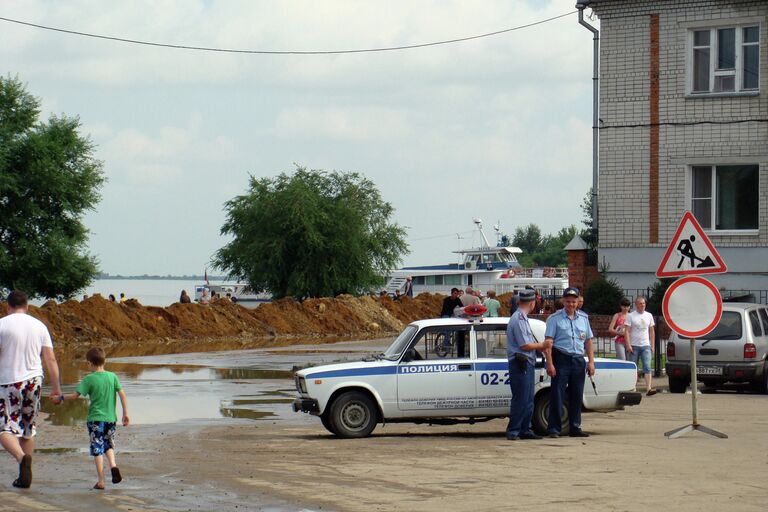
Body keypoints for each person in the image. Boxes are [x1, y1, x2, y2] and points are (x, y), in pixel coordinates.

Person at [0, 290, 62, 488]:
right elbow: (50, 359)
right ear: (27, 306)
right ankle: (25, 474)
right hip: (33, 381)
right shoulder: (39, 326)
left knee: (4, 427)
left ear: (7, 306)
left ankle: (20, 457)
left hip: (8, 382)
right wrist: (57, 389)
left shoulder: (2, 325)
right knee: (28, 428)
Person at [59, 347, 129, 490]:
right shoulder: (112, 376)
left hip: (95, 419)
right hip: (111, 418)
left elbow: (74, 396)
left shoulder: (89, 379)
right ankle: (113, 466)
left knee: (97, 448)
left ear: (90, 363)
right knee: (108, 444)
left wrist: (60, 397)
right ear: (104, 361)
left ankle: (101, 481)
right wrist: (125, 413)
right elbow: (122, 394)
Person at [543, 287, 595, 438]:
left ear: (578, 301)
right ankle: (554, 429)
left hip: (578, 360)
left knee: (577, 394)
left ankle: (575, 427)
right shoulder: (555, 319)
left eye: (574, 302)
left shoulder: (584, 319)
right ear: (563, 301)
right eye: (568, 301)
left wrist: (591, 362)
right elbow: (548, 343)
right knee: (557, 395)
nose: (571, 304)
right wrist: (550, 364)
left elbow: (588, 342)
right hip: (561, 358)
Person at [505, 289, 553, 440]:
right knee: (521, 398)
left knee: (527, 398)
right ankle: (514, 430)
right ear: (532, 303)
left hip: (525, 363)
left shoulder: (521, 317)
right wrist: (543, 345)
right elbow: (525, 345)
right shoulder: (519, 319)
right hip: (521, 362)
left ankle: (525, 429)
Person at [625, 296, 657, 396]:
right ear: (636, 305)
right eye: (640, 303)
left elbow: (651, 331)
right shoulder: (631, 316)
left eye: (643, 303)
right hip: (634, 345)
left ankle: (648, 388)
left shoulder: (649, 315)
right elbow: (626, 331)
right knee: (634, 367)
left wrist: (652, 345)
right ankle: (632, 388)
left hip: (645, 345)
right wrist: (628, 345)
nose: (642, 305)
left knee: (647, 367)